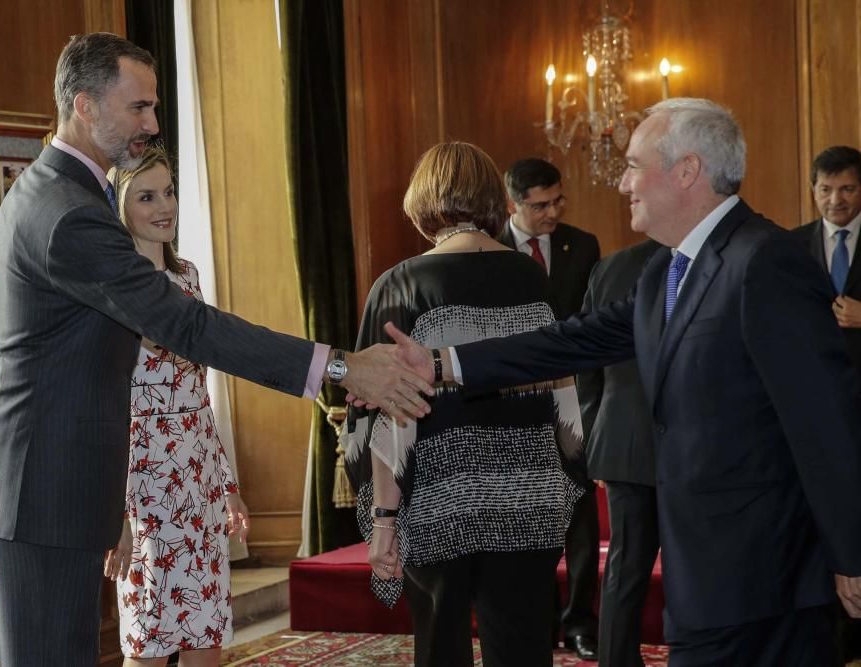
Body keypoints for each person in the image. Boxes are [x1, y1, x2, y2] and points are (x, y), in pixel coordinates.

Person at [0, 32, 431, 666]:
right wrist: (342, 365)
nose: (152, 122)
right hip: (46, 481)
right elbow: (185, 326)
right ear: (84, 105)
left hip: (53, 476)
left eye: (155, 106)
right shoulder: (67, 210)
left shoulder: (69, 190)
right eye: (138, 107)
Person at [381, 98, 861, 666]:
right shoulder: (665, 268)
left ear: (687, 171)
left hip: (764, 572)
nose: (622, 183)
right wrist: (442, 364)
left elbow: (823, 418)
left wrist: (850, 553)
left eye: (634, 166)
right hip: (700, 572)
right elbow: (571, 340)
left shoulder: (765, 261)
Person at [345, 141, 586, 667]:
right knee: (523, 651)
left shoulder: (401, 284)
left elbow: (385, 411)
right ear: (494, 199)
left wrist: (384, 520)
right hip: (528, 497)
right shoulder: (532, 278)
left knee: (441, 648)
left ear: (423, 200)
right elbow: (564, 403)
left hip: (439, 500)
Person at [98, 146, 245, 666]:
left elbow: (200, 394)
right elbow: (109, 403)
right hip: (145, 477)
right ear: (120, 208)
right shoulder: (113, 287)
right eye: (147, 196)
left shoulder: (189, 277)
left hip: (198, 473)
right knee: (149, 637)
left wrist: (228, 487)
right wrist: (115, 513)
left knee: (206, 633)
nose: (165, 206)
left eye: (169, 192)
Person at [498, 157, 601, 660]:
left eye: (558, 200)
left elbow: (591, 324)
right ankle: (537, 618)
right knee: (528, 519)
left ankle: (580, 621)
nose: (552, 212)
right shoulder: (489, 251)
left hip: (571, 400)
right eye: (540, 205)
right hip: (512, 406)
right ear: (513, 204)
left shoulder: (582, 246)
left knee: (580, 516)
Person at [576, 239, 662, 667]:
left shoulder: (611, 266)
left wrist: (595, 434)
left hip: (622, 439)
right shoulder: (718, 257)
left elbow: (585, 363)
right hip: (694, 443)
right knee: (695, 566)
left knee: (625, 567)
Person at [792, 144, 861, 662]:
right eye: (825, 188)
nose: (835, 199)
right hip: (814, 413)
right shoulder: (790, 248)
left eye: (847, 188)